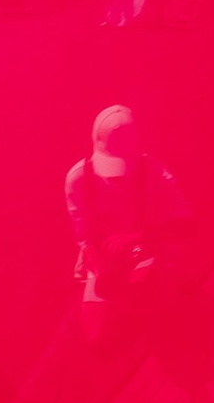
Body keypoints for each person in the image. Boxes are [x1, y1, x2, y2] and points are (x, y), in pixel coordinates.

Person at [64, 103, 188, 330]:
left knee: (161, 307)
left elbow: (183, 220)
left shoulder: (152, 169)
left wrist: (140, 238)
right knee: (98, 335)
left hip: (144, 247)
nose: (116, 179)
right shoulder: (77, 179)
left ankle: (147, 291)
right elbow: (84, 237)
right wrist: (103, 272)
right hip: (102, 258)